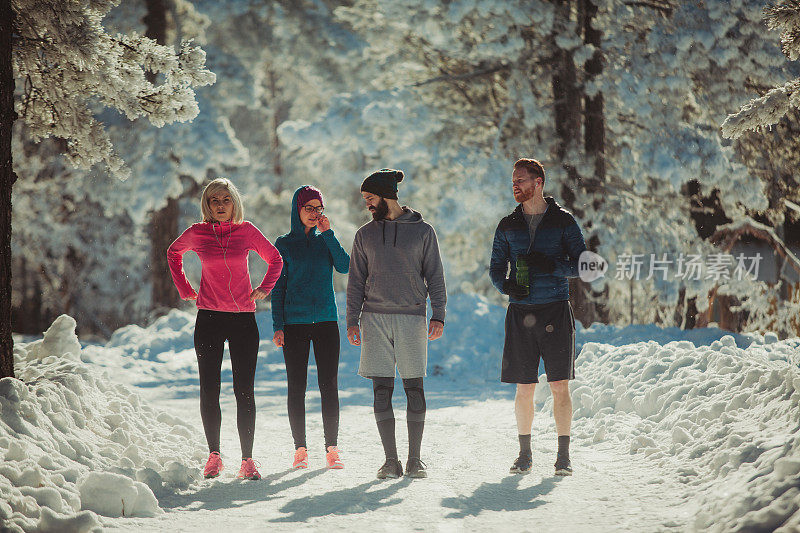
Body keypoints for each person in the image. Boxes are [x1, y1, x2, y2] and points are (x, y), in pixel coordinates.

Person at [167, 177, 283, 481]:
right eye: (214, 200)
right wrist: (184, 287)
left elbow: (275, 259)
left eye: (226, 199)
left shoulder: (246, 231)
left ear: (234, 202)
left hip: (243, 320)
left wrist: (264, 288)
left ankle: (247, 460)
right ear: (207, 204)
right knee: (210, 388)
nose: (220, 205)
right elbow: (173, 253)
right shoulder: (197, 233)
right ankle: (214, 456)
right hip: (209, 320)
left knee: (244, 390)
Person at [346, 168, 446, 480]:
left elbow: (435, 275)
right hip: (373, 319)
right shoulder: (364, 235)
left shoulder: (423, 231)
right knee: (380, 390)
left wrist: (438, 313)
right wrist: (352, 320)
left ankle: (415, 460)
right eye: (365, 200)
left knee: (414, 387)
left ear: (388, 196)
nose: (368, 205)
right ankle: (391, 461)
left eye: (371, 198)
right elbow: (355, 282)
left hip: (412, 318)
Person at [489, 158, 586, 476]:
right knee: (524, 388)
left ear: (539, 182)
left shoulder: (563, 222)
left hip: (556, 311)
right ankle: (525, 454)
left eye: (521, 180)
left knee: (559, 385)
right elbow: (495, 268)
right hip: (520, 314)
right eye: (513, 180)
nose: (515, 185)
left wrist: (552, 266)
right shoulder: (507, 225)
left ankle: (563, 455)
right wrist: (506, 287)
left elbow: (583, 264)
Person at [271, 186, 350, 470]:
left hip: (327, 322)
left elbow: (345, 266)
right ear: (298, 210)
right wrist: (278, 325)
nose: (315, 213)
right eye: (309, 208)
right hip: (295, 324)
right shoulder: (284, 244)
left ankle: (332, 448)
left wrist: (329, 234)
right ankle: (300, 449)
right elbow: (278, 288)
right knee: (297, 387)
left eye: (319, 208)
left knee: (329, 385)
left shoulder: (324, 240)